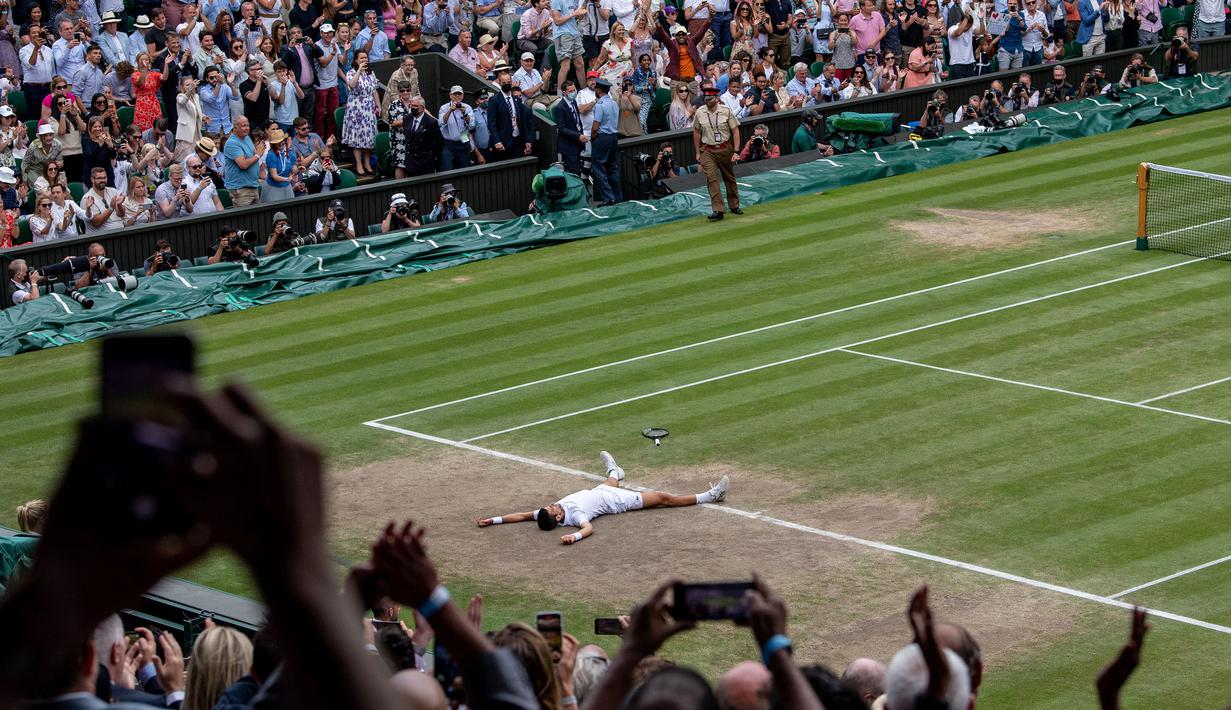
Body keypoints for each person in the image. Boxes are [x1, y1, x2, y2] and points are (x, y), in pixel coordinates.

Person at [478, 451, 730, 543]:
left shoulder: (547, 513)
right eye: (551, 507)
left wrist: (493, 519)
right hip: (618, 501)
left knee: (611, 479)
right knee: (664, 498)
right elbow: (588, 529)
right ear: (556, 517)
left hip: (601, 490)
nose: (550, 504)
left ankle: (615, 471)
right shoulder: (576, 517)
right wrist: (574, 537)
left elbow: (522, 516)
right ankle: (710, 495)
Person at [693, 84, 740, 221]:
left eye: (710, 97)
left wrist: (736, 151)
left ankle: (734, 205)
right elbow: (696, 132)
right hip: (707, 150)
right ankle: (718, 209)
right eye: (705, 97)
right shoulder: (700, 112)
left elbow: (735, 130)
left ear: (716, 98)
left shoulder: (726, 110)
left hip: (725, 148)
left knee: (729, 177)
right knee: (711, 178)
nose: (707, 100)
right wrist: (697, 152)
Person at [486, 62, 535, 161]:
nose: (506, 84)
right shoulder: (494, 100)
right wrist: (497, 141)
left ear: (511, 82)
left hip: (517, 139)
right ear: (499, 83)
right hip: (502, 141)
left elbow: (523, 121)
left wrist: (528, 141)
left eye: (508, 82)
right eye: (503, 83)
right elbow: (491, 123)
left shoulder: (516, 99)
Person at [342, 49, 378, 174]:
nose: (364, 60)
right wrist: (359, 70)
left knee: (369, 138)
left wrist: (378, 107)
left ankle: (367, 163)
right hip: (356, 108)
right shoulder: (351, 72)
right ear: (356, 60)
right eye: (361, 58)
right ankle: (358, 164)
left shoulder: (371, 73)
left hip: (369, 109)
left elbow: (374, 91)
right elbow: (352, 85)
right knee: (357, 138)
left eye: (366, 58)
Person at [588, 77, 621, 206]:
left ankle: (608, 197)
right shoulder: (614, 103)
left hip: (603, 137)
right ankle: (617, 196)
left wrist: (592, 138)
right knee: (612, 167)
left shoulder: (600, 105)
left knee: (598, 167)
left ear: (598, 90)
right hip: (613, 136)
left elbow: (595, 127)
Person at [222, 115, 263, 206]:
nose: (247, 128)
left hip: (252, 186)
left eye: (247, 125)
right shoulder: (232, 143)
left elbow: (252, 156)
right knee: (244, 219)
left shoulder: (247, 138)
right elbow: (243, 165)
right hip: (241, 190)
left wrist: (258, 150)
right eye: (243, 126)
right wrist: (258, 155)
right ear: (235, 127)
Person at [313, 23, 342, 138]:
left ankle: (331, 137)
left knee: (333, 112)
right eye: (326, 32)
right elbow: (324, 63)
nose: (329, 34)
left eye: (330, 32)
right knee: (320, 113)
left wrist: (345, 52)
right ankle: (320, 137)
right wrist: (333, 52)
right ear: (321, 34)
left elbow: (342, 62)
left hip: (333, 83)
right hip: (321, 84)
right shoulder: (316, 46)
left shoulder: (334, 44)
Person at [437, 85, 475, 171]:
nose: (457, 96)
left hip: (463, 142)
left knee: (464, 170)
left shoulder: (467, 107)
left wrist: (464, 112)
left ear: (462, 96)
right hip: (449, 144)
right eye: (455, 94)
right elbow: (441, 123)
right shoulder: (444, 107)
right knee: (447, 168)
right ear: (450, 95)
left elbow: (472, 125)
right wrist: (450, 110)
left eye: (459, 94)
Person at [402, 94, 440, 177]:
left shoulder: (431, 122)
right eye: (411, 105)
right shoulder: (407, 119)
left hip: (425, 162)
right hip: (411, 161)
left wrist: (434, 157)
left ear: (422, 108)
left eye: (415, 106)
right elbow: (407, 136)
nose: (412, 108)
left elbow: (439, 142)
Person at [553, 78, 585, 175]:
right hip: (568, 146)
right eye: (570, 91)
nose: (573, 92)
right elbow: (561, 128)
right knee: (574, 173)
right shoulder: (560, 107)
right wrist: (578, 135)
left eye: (574, 90)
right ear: (564, 93)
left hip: (577, 144)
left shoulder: (574, 102)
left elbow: (577, 121)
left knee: (578, 170)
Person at [81, 166, 124, 233]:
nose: (103, 180)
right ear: (92, 179)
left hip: (120, 232)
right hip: (101, 237)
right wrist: (111, 208)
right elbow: (96, 223)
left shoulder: (113, 191)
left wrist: (119, 205)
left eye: (104, 177)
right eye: (99, 178)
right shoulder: (87, 198)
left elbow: (121, 214)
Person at [261, 127, 297, 202]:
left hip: (286, 187)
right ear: (273, 144)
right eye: (277, 142)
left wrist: (298, 169)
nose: (280, 143)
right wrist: (287, 179)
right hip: (273, 188)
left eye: (282, 141)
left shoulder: (290, 152)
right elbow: (274, 176)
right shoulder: (271, 155)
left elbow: (294, 170)